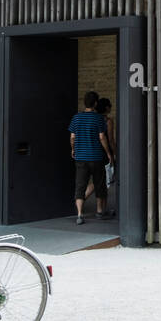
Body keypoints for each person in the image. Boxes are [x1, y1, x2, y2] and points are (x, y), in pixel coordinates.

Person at [68, 90, 112, 223]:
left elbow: (72, 137)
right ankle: (99, 212)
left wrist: (73, 149)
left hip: (81, 157)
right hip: (97, 157)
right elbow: (102, 137)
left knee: (80, 185)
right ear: (95, 103)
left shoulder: (76, 117)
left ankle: (80, 215)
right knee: (99, 185)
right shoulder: (98, 118)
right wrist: (108, 152)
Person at [84, 96, 116, 199]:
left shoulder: (94, 119)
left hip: (93, 151)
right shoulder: (107, 121)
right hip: (104, 153)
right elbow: (110, 139)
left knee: (98, 180)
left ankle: (81, 201)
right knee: (102, 180)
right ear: (107, 108)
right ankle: (83, 200)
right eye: (110, 106)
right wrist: (114, 153)